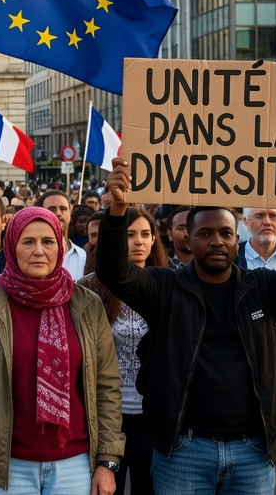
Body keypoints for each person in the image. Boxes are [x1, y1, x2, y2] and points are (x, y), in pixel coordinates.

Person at [97, 158, 276, 494]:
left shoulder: (263, 288)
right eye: (205, 233)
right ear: (188, 240)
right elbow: (114, 273)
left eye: (225, 233)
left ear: (236, 237)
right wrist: (117, 208)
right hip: (182, 452)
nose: (216, 241)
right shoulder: (163, 289)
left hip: (251, 453)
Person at [0, 205, 123, 495]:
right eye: (28, 242)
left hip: (75, 464)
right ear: (12, 246)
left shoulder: (87, 305)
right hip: (7, 467)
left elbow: (106, 386)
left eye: (48, 242)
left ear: (60, 246)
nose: (39, 251)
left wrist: (108, 461)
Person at [78, 208, 168, 495]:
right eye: (129, 235)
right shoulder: (89, 287)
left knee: (148, 488)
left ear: (155, 240)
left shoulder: (168, 286)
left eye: (145, 234)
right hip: (105, 413)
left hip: (152, 413)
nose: (138, 241)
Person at [36, 190, 87, 279]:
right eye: (51, 209)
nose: (58, 213)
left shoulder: (81, 255)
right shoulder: (34, 254)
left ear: (70, 213)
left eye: (63, 209)